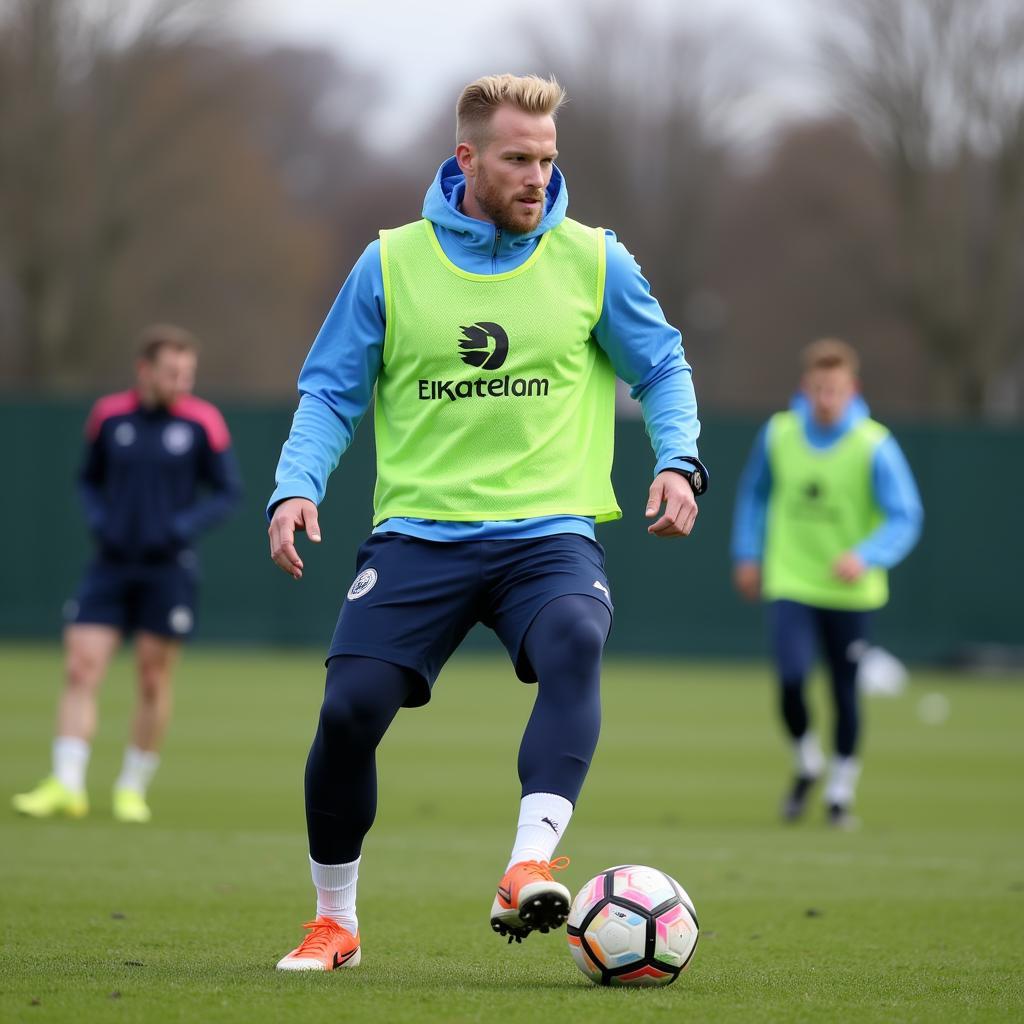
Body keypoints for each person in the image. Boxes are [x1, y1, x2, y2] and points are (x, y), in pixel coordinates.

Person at [267, 73, 708, 971]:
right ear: (467, 158)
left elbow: (661, 365)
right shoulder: (389, 262)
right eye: (518, 159)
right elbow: (329, 391)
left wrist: (677, 460)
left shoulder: (594, 259)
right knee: (349, 713)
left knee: (576, 639)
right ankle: (335, 920)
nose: (537, 177)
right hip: (418, 535)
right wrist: (294, 485)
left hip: (547, 536)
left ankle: (527, 864)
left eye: (547, 160)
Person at [12, 324, 241, 824]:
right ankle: (67, 784)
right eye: (172, 373)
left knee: (153, 679)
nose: (181, 382)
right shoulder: (108, 417)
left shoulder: (203, 422)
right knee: (80, 668)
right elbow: (88, 481)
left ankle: (131, 787)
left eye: (188, 374)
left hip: (168, 569)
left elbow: (228, 492)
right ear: (145, 371)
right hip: (111, 564)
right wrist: (100, 521)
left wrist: (179, 527)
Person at [731, 338, 922, 828]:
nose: (826, 398)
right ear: (805, 387)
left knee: (844, 690)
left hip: (851, 591)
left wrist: (867, 555)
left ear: (851, 389)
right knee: (791, 679)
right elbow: (754, 495)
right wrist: (748, 553)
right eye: (818, 388)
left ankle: (839, 791)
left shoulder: (874, 444)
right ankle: (806, 762)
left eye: (835, 389)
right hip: (792, 578)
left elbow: (905, 516)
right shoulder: (779, 434)